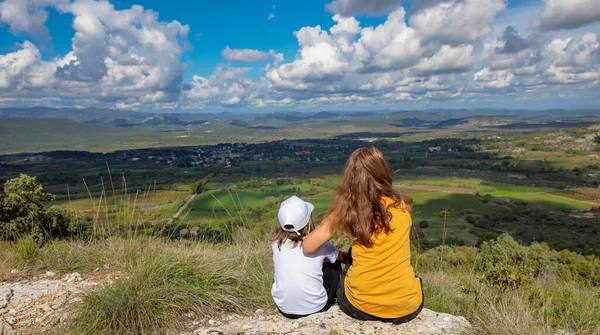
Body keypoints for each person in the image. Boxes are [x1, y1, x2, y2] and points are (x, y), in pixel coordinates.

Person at [302, 146, 423, 324]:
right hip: (407, 307)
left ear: (350, 178)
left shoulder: (347, 209)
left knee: (338, 264)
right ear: (383, 172)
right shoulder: (403, 204)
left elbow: (308, 246)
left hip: (359, 305)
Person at [270, 195, 346, 319]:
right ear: (308, 220)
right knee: (333, 263)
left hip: (284, 309)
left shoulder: (276, 244)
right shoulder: (321, 245)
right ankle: (340, 291)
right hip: (315, 307)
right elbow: (342, 258)